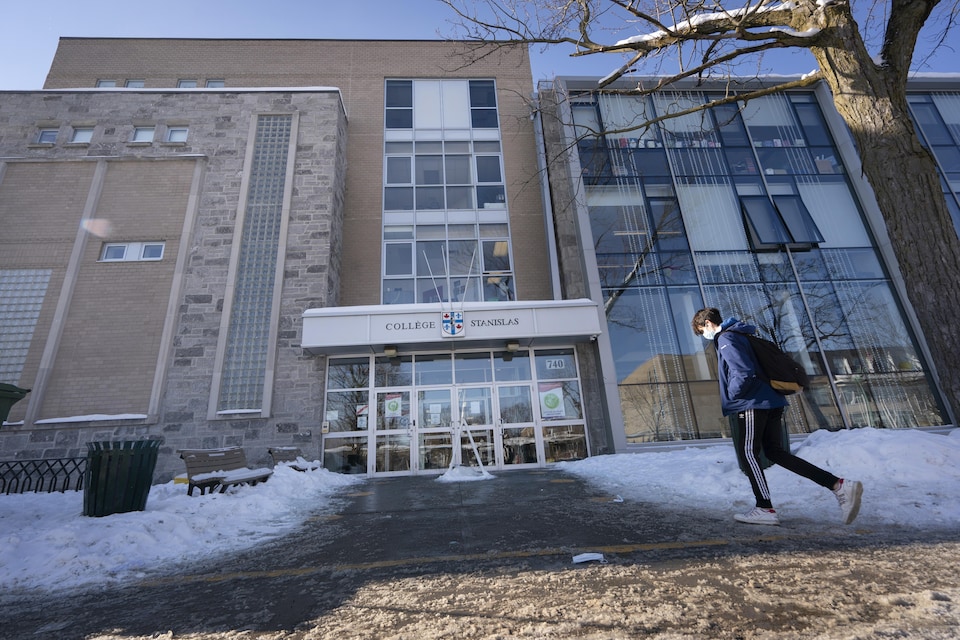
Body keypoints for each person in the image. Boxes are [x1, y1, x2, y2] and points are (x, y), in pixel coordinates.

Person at [691, 307, 863, 526]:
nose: (704, 336)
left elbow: (743, 372)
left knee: (748, 453)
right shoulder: (743, 333)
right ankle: (838, 485)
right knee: (775, 452)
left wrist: (734, 396)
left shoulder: (726, 338)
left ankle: (764, 507)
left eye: (701, 331)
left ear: (707, 323)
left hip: (752, 403)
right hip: (771, 401)